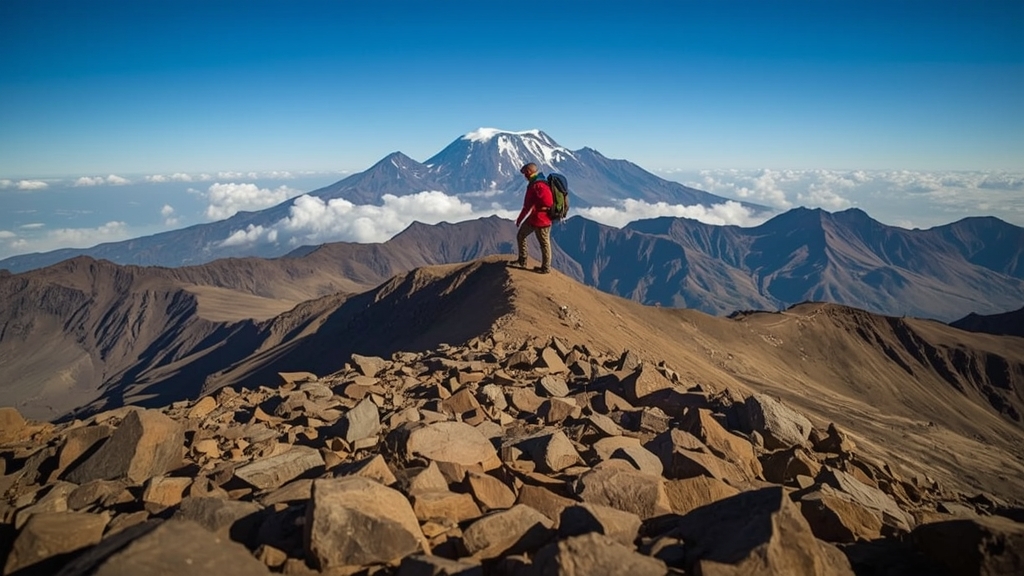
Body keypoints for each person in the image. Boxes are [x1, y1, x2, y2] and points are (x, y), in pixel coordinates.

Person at [511, 162, 554, 273]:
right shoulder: (544, 182)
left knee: (523, 236)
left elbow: (527, 206)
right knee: (544, 243)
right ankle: (544, 267)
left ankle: (525, 261)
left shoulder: (534, 185)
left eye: (525, 173)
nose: (524, 175)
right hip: (546, 218)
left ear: (529, 172)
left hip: (538, 219)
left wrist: (519, 220)